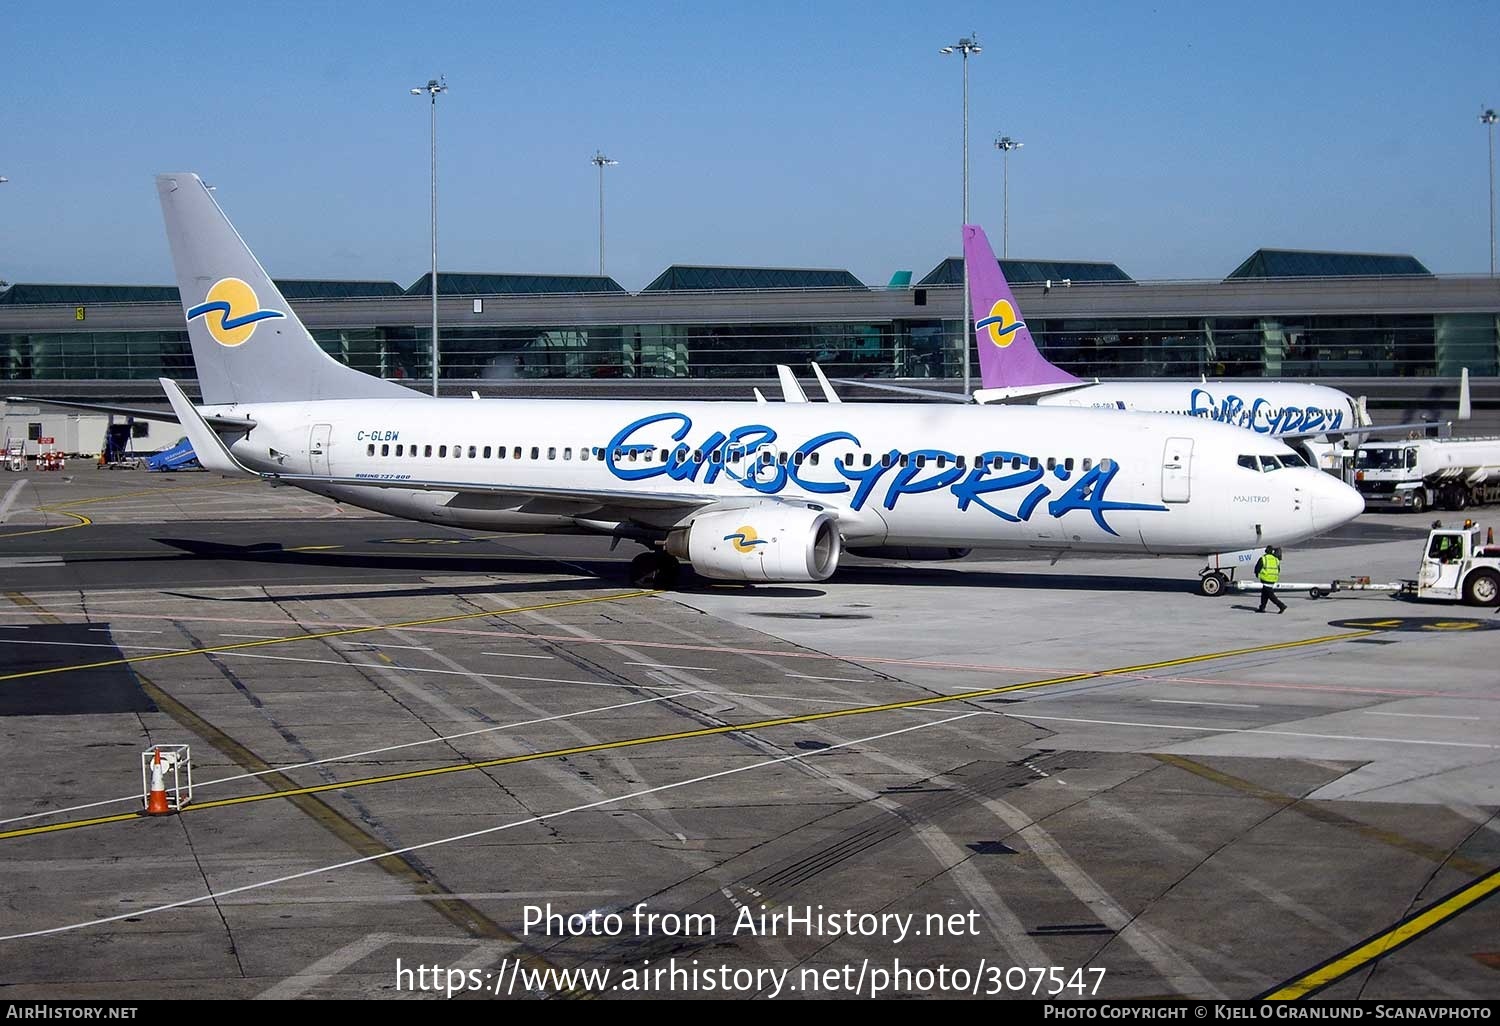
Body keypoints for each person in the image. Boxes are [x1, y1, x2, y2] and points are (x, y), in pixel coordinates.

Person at [1255, 545, 1286, 613]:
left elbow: (1257, 568)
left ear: (1266, 551)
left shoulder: (1263, 558)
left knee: (1270, 596)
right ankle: (1262, 608)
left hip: (1266, 579)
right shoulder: (1276, 559)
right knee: (1264, 594)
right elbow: (1278, 569)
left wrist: (1257, 575)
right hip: (1273, 579)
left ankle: (1281, 606)